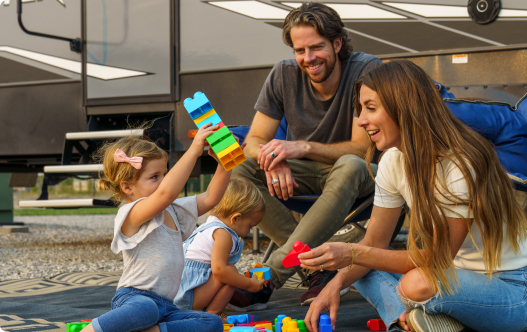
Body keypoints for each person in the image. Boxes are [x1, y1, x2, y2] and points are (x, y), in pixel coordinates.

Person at [300, 60, 527, 332]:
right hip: (451, 278)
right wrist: (333, 285)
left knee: (411, 282)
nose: (361, 121)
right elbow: (375, 241)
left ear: (404, 106)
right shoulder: (392, 162)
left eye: (370, 108)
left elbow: (435, 260)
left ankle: (414, 311)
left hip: (515, 289)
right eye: (360, 109)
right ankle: (411, 320)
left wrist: (352, 252)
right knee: (362, 263)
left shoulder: (461, 164)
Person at [229, 2, 382, 311]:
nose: (308, 59)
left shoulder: (366, 69)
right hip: (304, 174)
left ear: (337, 43)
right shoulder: (283, 74)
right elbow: (254, 142)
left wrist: (303, 147)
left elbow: (362, 149)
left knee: (350, 165)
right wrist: (274, 159)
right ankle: (315, 268)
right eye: (300, 50)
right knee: (239, 169)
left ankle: (269, 276)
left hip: (360, 173)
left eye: (316, 48)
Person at [82, 123, 231, 332]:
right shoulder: (131, 213)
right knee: (147, 310)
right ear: (127, 187)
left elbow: (211, 198)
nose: (163, 182)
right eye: (154, 177)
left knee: (212, 322)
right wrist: (194, 150)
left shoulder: (173, 210)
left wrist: (226, 163)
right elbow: (166, 193)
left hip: (166, 307)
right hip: (134, 299)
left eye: (165, 174)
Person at [174, 178, 266, 320]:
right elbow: (220, 271)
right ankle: (213, 314)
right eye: (250, 226)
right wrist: (249, 284)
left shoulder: (209, 224)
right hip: (186, 297)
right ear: (235, 218)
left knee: (228, 271)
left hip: (177, 292)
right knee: (230, 272)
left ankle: (207, 310)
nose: (249, 231)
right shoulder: (223, 234)